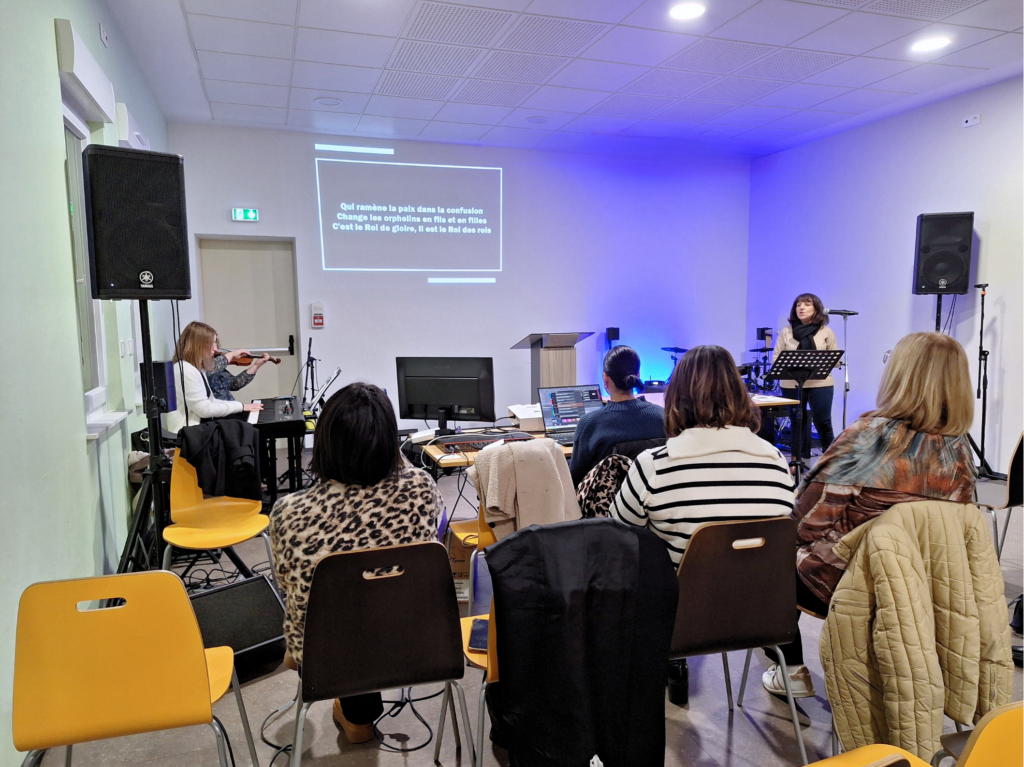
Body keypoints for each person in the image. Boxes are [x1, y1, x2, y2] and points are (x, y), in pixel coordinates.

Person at [762, 331, 976, 699]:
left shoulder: (868, 438)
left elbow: (804, 524)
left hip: (847, 585)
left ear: (900, 375)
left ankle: (792, 669)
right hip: (922, 589)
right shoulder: (959, 453)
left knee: (766, 558)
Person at [611, 345, 795, 707]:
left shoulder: (655, 465)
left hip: (679, 625)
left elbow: (617, 542)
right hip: (763, 618)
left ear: (675, 397)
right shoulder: (775, 461)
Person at [269, 382, 441, 743]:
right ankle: (358, 715)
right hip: (417, 645)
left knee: (339, 611)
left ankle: (356, 718)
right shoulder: (422, 489)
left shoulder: (289, 512)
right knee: (374, 601)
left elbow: (289, 586)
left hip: (327, 659)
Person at [570, 346, 665, 486]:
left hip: (605, 506)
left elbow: (575, 480)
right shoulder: (663, 417)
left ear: (605, 379)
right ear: (638, 376)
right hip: (654, 503)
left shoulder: (589, 424)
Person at [165, 321, 264, 434]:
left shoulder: (196, 368)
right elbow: (205, 410)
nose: (215, 349)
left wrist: (242, 407)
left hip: (202, 425)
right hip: (191, 433)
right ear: (198, 345)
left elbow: (212, 401)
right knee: (247, 430)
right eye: (212, 344)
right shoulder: (185, 370)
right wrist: (241, 407)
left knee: (250, 423)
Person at [773, 293, 839, 461]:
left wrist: (826, 360)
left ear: (816, 308)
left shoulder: (826, 331)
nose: (801, 308)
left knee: (823, 422)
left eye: (806, 304)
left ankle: (829, 462)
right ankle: (795, 461)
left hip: (820, 382)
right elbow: (776, 358)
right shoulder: (786, 332)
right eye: (798, 305)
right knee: (796, 421)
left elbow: (836, 360)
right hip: (791, 383)